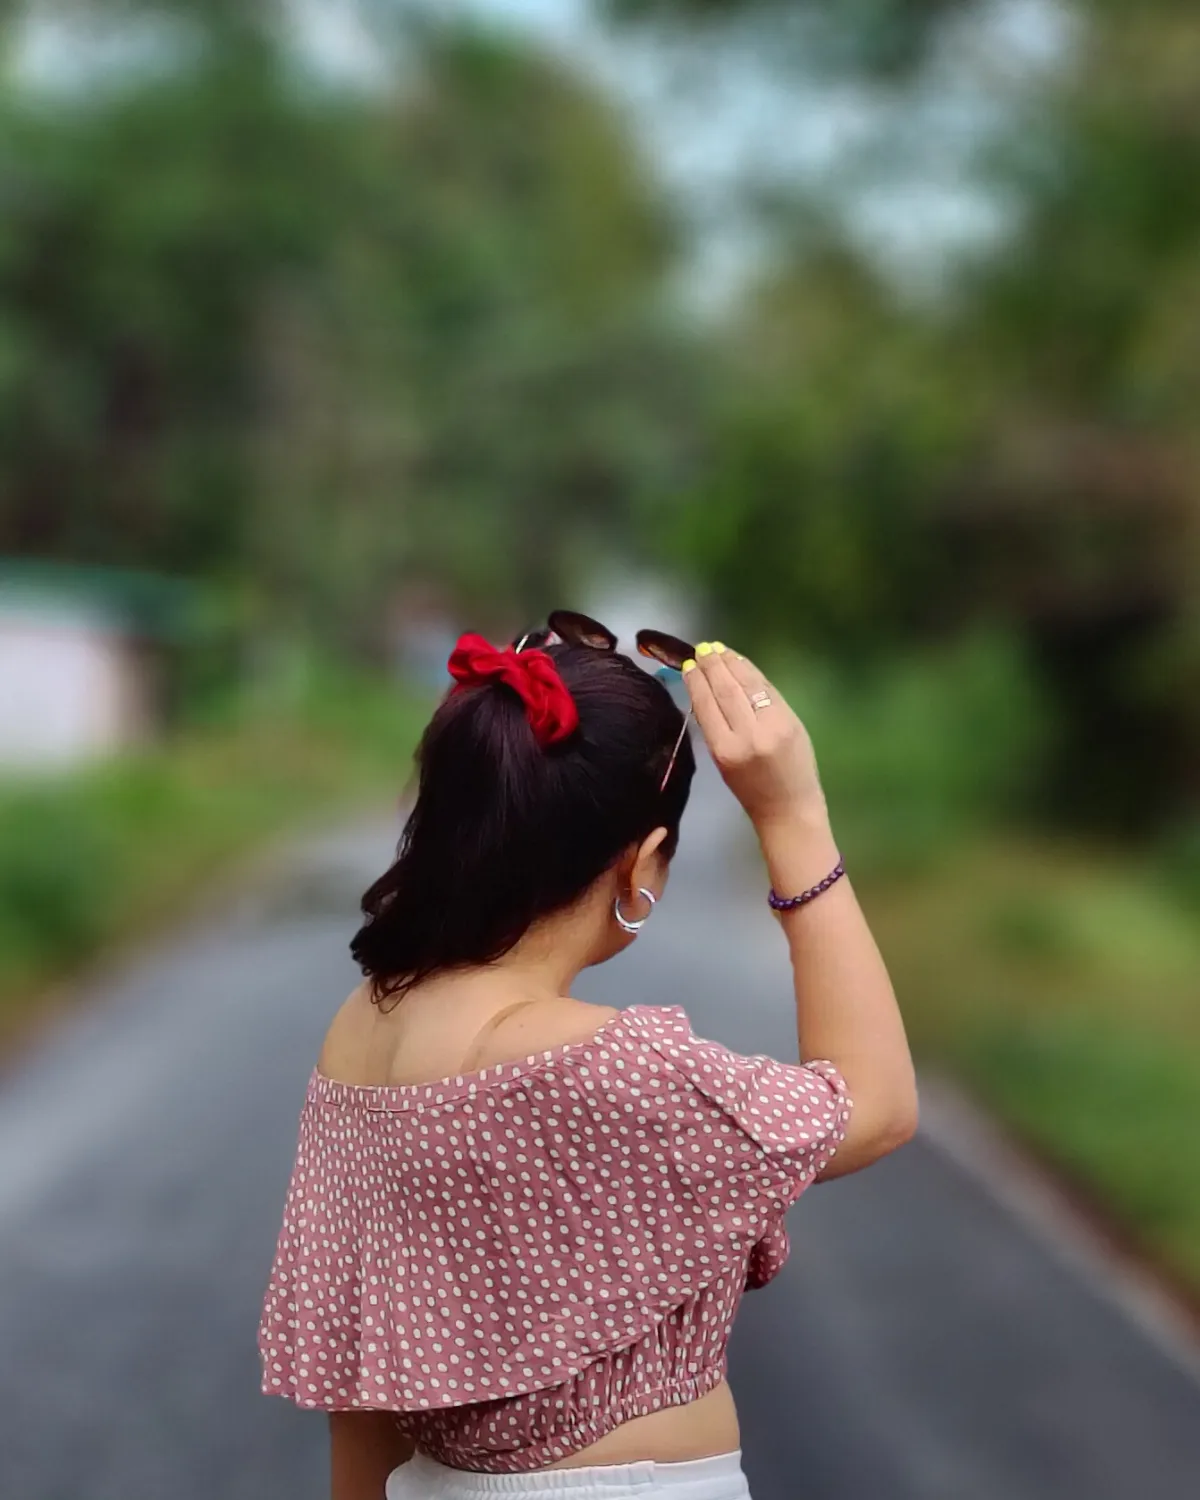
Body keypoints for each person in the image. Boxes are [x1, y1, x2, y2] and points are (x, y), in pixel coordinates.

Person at [258, 616, 918, 1500]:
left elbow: (368, 1382)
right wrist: (793, 815)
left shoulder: (361, 1029)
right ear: (640, 866)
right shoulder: (609, 1065)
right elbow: (875, 1106)